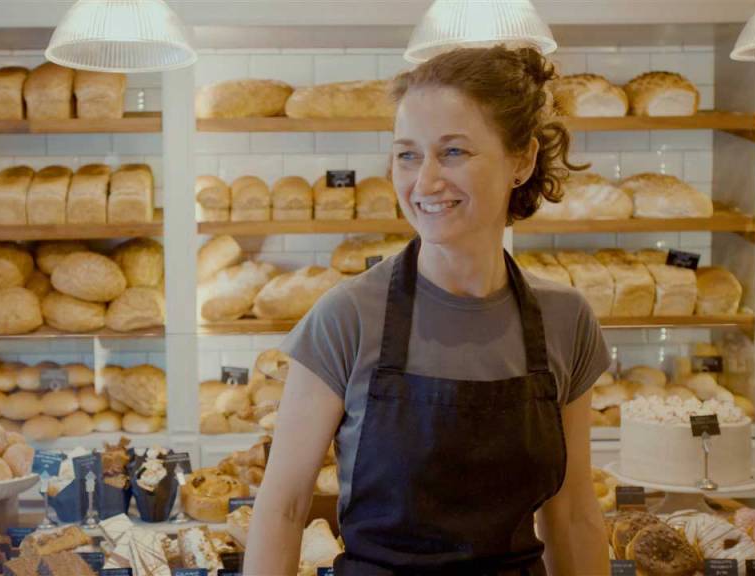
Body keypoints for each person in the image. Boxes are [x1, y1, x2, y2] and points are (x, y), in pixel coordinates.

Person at [244, 46, 611, 576]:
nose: (425, 181)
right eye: (408, 154)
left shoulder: (566, 319)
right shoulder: (345, 318)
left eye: (454, 152)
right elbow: (283, 510)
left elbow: (573, 515)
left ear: (522, 160)